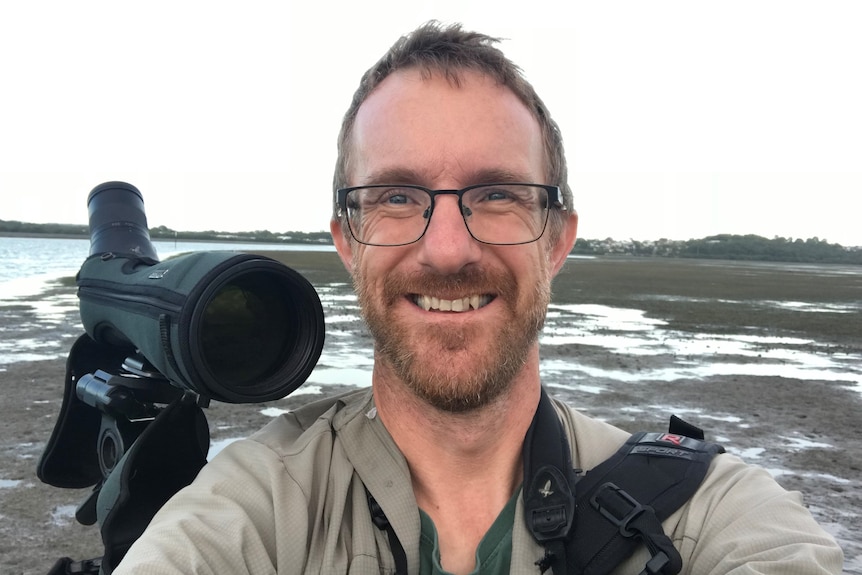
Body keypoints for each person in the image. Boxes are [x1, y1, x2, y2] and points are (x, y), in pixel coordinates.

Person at [114, 21, 844, 574]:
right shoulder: (258, 505)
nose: (448, 248)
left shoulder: (700, 507)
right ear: (348, 240)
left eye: (497, 194)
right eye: (397, 196)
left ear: (557, 238)